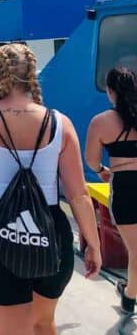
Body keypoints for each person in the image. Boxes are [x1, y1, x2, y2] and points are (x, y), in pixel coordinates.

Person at [0, 43, 101, 335]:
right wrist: (92, 241)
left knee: (11, 330)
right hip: (51, 232)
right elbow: (79, 194)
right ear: (32, 76)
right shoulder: (60, 123)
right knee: (44, 324)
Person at [84, 66, 137, 314]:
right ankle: (129, 292)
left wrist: (103, 170)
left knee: (135, 249)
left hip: (125, 186)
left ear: (110, 90)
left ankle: (130, 296)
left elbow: (91, 161)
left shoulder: (101, 122)